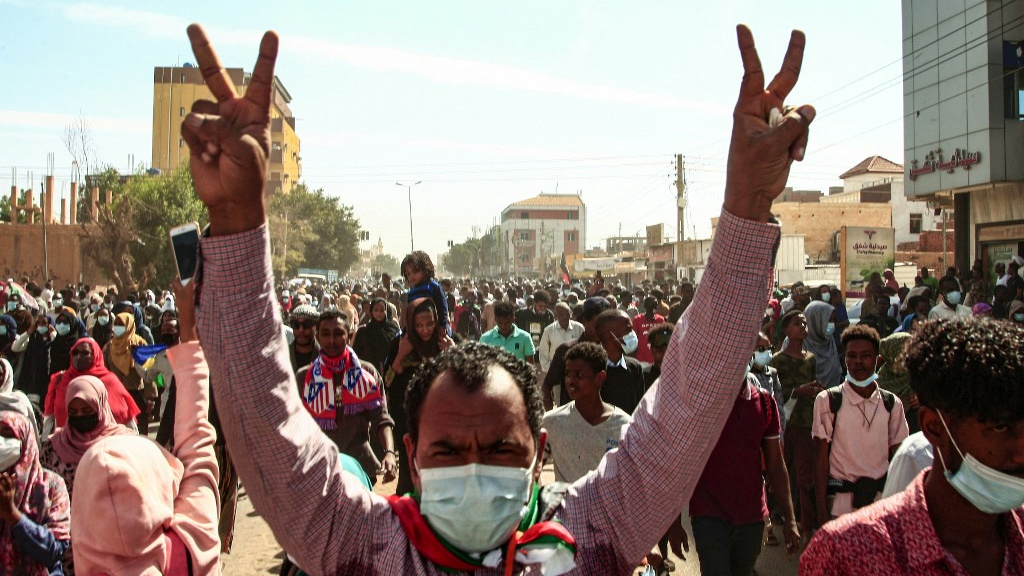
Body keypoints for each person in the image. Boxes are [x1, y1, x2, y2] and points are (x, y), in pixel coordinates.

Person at [178, 21, 813, 574]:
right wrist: (236, 218)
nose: (474, 472)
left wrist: (748, 206)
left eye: (501, 449)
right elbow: (268, 431)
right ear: (411, 458)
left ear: (540, 452)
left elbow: (689, 399)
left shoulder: (586, 538)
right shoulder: (365, 547)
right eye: (448, 452)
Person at [801, 318, 1024, 576]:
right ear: (934, 428)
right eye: (998, 428)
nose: (1020, 452)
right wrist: (820, 509)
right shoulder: (848, 553)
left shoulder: (891, 403)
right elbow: (821, 456)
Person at [71, 279, 222, 575]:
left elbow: (153, 378)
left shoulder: (143, 344)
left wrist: (156, 391)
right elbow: (197, 451)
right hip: (171, 407)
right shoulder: (190, 554)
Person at [686, 359, 799, 576]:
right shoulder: (699, 403)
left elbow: (775, 464)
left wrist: (790, 519)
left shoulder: (765, 402)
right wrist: (672, 525)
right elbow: (681, 463)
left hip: (751, 517)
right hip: (708, 513)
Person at [811, 325, 909, 524]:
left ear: (877, 359)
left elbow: (900, 457)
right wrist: (821, 510)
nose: (858, 362)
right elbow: (820, 460)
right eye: (851, 356)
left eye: (865, 355)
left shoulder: (891, 404)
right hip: (840, 505)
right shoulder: (828, 401)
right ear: (845, 359)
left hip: (880, 504)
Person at [296, 309, 398, 484]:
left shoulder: (367, 374)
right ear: (318, 337)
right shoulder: (304, 377)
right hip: (318, 468)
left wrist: (389, 452)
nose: (331, 341)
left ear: (349, 336)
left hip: (360, 468)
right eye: (325, 334)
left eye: (338, 334)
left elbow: (381, 417)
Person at [384, 298, 452, 496]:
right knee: (408, 467)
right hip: (407, 417)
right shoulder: (400, 342)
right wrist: (400, 356)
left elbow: (464, 381)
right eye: (419, 325)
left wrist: (452, 352)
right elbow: (386, 382)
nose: (425, 330)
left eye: (430, 324)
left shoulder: (445, 341)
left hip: (440, 418)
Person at [541, 342, 630, 484]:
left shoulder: (623, 425)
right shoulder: (551, 422)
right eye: (567, 374)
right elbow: (531, 470)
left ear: (600, 378)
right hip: (567, 506)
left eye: (579, 375)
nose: (571, 381)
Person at [0, 411, 70, 576]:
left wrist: (12, 514)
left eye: (8, 434)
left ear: (26, 440)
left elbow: (55, 550)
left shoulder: (51, 485)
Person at [770, 310, 821, 536]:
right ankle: (777, 514)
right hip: (782, 424)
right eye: (797, 323)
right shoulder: (777, 360)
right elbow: (772, 392)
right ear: (786, 330)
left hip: (805, 422)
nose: (802, 326)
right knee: (780, 471)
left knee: (804, 475)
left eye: (804, 323)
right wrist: (797, 391)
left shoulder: (810, 359)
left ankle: (806, 522)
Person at [43, 338, 139, 430]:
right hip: (66, 443)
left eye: (85, 353)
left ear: (95, 355)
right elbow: (49, 418)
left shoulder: (109, 381)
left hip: (104, 442)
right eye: (75, 353)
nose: (79, 356)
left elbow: (126, 418)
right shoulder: (61, 380)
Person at [542, 296, 611, 409]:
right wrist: (551, 419)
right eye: (596, 325)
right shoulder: (566, 350)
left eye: (605, 326)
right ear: (585, 321)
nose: (601, 330)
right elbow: (547, 386)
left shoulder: (612, 352)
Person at [104, 312, 155, 434]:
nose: (117, 327)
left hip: (136, 393)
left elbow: (149, 371)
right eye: (115, 324)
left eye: (121, 324)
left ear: (129, 325)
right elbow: (105, 371)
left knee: (141, 432)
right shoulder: (109, 347)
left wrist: (150, 397)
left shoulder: (140, 344)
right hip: (115, 395)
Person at [593, 309, 648, 414]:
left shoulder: (634, 367)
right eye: (628, 329)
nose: (632, 334)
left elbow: (639, 409)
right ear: (609, 335)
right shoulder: (590, 368)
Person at [402, 252, 451, 338]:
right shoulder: (411, 292)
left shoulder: (433, 287)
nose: (412, 276)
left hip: (435, 328)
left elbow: (442, 308)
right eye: (408, 274)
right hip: (418, 329)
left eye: (415, 272)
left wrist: (443, 325)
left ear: (425, 269)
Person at [537, 302, 584, 388]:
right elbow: (543, 353)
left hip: (576, 371)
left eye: (567, 313)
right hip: (557, 371)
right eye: (562, 314)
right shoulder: (549, 330)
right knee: (559, 399)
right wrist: (551, 371)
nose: (565, 316)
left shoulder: (579, 328)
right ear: (556, 316)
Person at [13, 316, 54, 410]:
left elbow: (57, 347)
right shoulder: (33, 339)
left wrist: (53, 334)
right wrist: (27, 333)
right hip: (30, 382)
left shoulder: (51, 342)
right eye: (38, 323)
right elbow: (15, 347)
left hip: (45, 382)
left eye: (44, 323)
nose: (40, 326)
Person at [353, 298, 400, 372]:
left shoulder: (393, 329)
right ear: (371, 311)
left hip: (390, 371)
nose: (379, 313)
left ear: (386, 311)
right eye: (376, 310)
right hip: (369, 371)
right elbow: (356, 354)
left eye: (382, 310)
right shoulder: (363, 331)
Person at [515, 291, 555, 359]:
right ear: (534, 303)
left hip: (541, 354)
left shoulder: (549, 316)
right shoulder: (521, 314)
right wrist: (516, 350)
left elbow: (551, 335)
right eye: (540, 306)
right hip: (524, 352)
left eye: (545, 306)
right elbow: (516, 334)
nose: (542, 309)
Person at [631, 297, 665, 364]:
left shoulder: (660, 320)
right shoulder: (637, 319)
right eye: (650, 304)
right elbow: (633, 338)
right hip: (641, 358)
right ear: (645, 306)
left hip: (656, 359)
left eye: (654, 304)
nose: (652, 307)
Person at [287, 304, 320, 374]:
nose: (301, 330)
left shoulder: (325, 356)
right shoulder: (283, 355)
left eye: (306, 324)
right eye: (296, 324)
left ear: (316, 327)